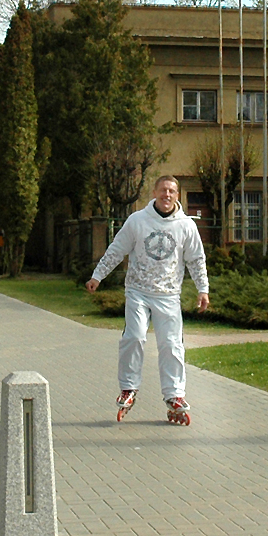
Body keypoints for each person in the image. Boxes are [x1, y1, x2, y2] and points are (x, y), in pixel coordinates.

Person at [86, 175, 209, 421]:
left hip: (168, 295)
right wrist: (97, 276)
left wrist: (203, 289)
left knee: (171, 345)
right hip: (138, 292)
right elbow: (117, 249)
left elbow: (196, 260)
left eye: (172, 191)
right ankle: (128, 388)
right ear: (154, 192)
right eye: (163, 190)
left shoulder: (186, 226)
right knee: (134, 336)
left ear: (177, 195)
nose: (167, 195)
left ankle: (175, 394)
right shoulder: (137, 221)